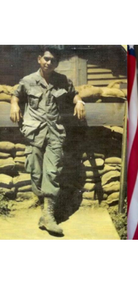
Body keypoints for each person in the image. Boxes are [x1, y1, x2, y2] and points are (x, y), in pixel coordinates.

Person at [10, 46, 86, 236]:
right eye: (46, 59)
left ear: (57, 63)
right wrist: (14, 105)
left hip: (55, 132)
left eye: (53, 60)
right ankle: (44, 209)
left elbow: (73, 93)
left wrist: (79, 101)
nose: (49, 63)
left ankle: (49, 214)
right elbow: (15, 94)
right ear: (39, 59)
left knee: (52, 171)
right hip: (34, 132)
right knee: (35, 172)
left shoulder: (62, 80)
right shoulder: (28, 81)